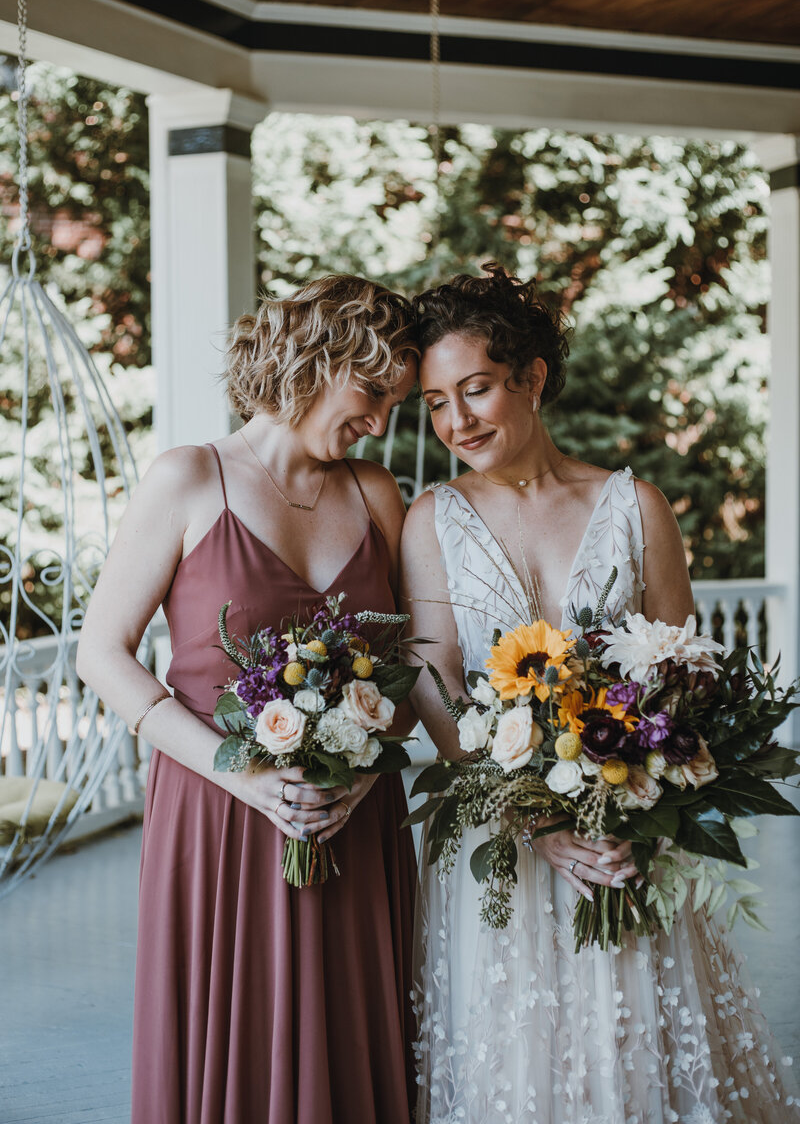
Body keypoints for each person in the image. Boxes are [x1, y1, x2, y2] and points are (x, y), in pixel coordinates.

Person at [400, 263, 798, 1124]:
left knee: (640, 1042)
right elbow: (438, 680)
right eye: (435, 403)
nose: (456, 421)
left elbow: (682, 677)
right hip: (503, 840)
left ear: (533, 377)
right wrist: (535, 822)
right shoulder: (431, 519)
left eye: (474, 390)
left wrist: (643, 809)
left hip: (631, 829)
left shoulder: (635, 506)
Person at [77, 275, 419, 1124]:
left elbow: (414, 664)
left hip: (352, 813)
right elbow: (101, 654)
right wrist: (244, 780)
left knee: (353, 1041)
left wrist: (366, 775)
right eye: (374, 392)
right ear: (318, 360)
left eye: (394, 404)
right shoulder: (188, 478)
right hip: (219, 810)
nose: (381, 422)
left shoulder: (376, 493)